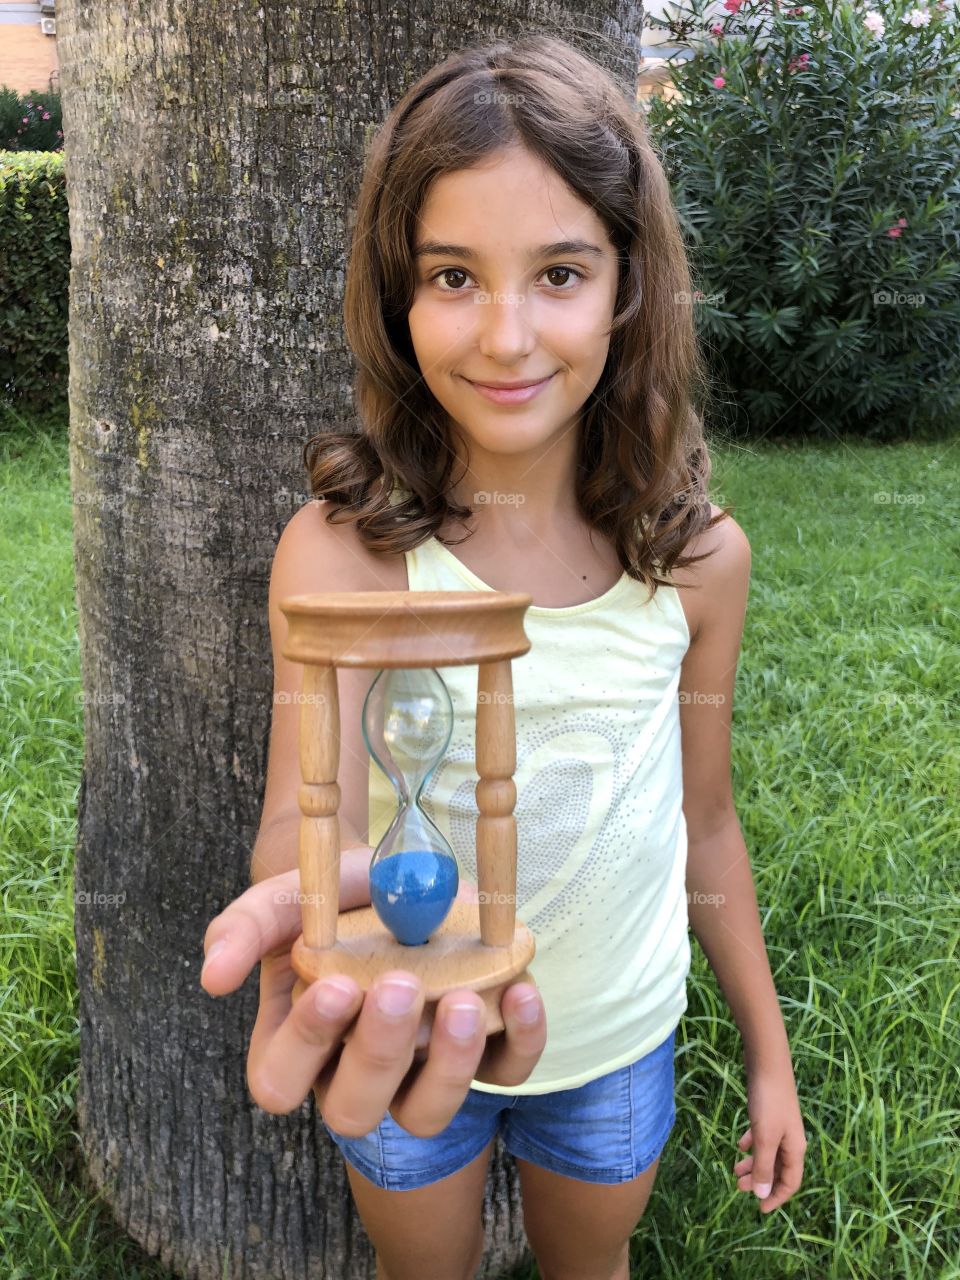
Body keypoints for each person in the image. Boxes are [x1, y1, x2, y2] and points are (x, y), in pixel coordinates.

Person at [200, 32, 807, 1280]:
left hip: (614, 1037)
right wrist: (318, 950)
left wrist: (769, 1047)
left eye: (562, 273)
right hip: (410, 1022)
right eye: (455, 276)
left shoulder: (693, 561)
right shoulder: (343, 552)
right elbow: (292, 817)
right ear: (398, 293)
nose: (509, 334)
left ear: (629, 286)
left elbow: (705, 822)